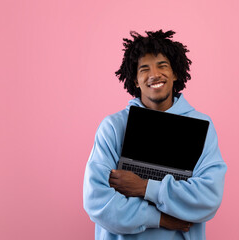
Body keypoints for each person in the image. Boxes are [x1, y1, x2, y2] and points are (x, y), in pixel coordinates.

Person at [83, 30, 227, 240]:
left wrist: (144, 187)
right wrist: (160, 218)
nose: (154, 74)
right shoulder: (113, 127)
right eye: (144, 69)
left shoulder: (202, 125)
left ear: (175, 73)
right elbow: (97, 200)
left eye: (162, 66)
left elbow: (208, 197)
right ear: (135, 80)